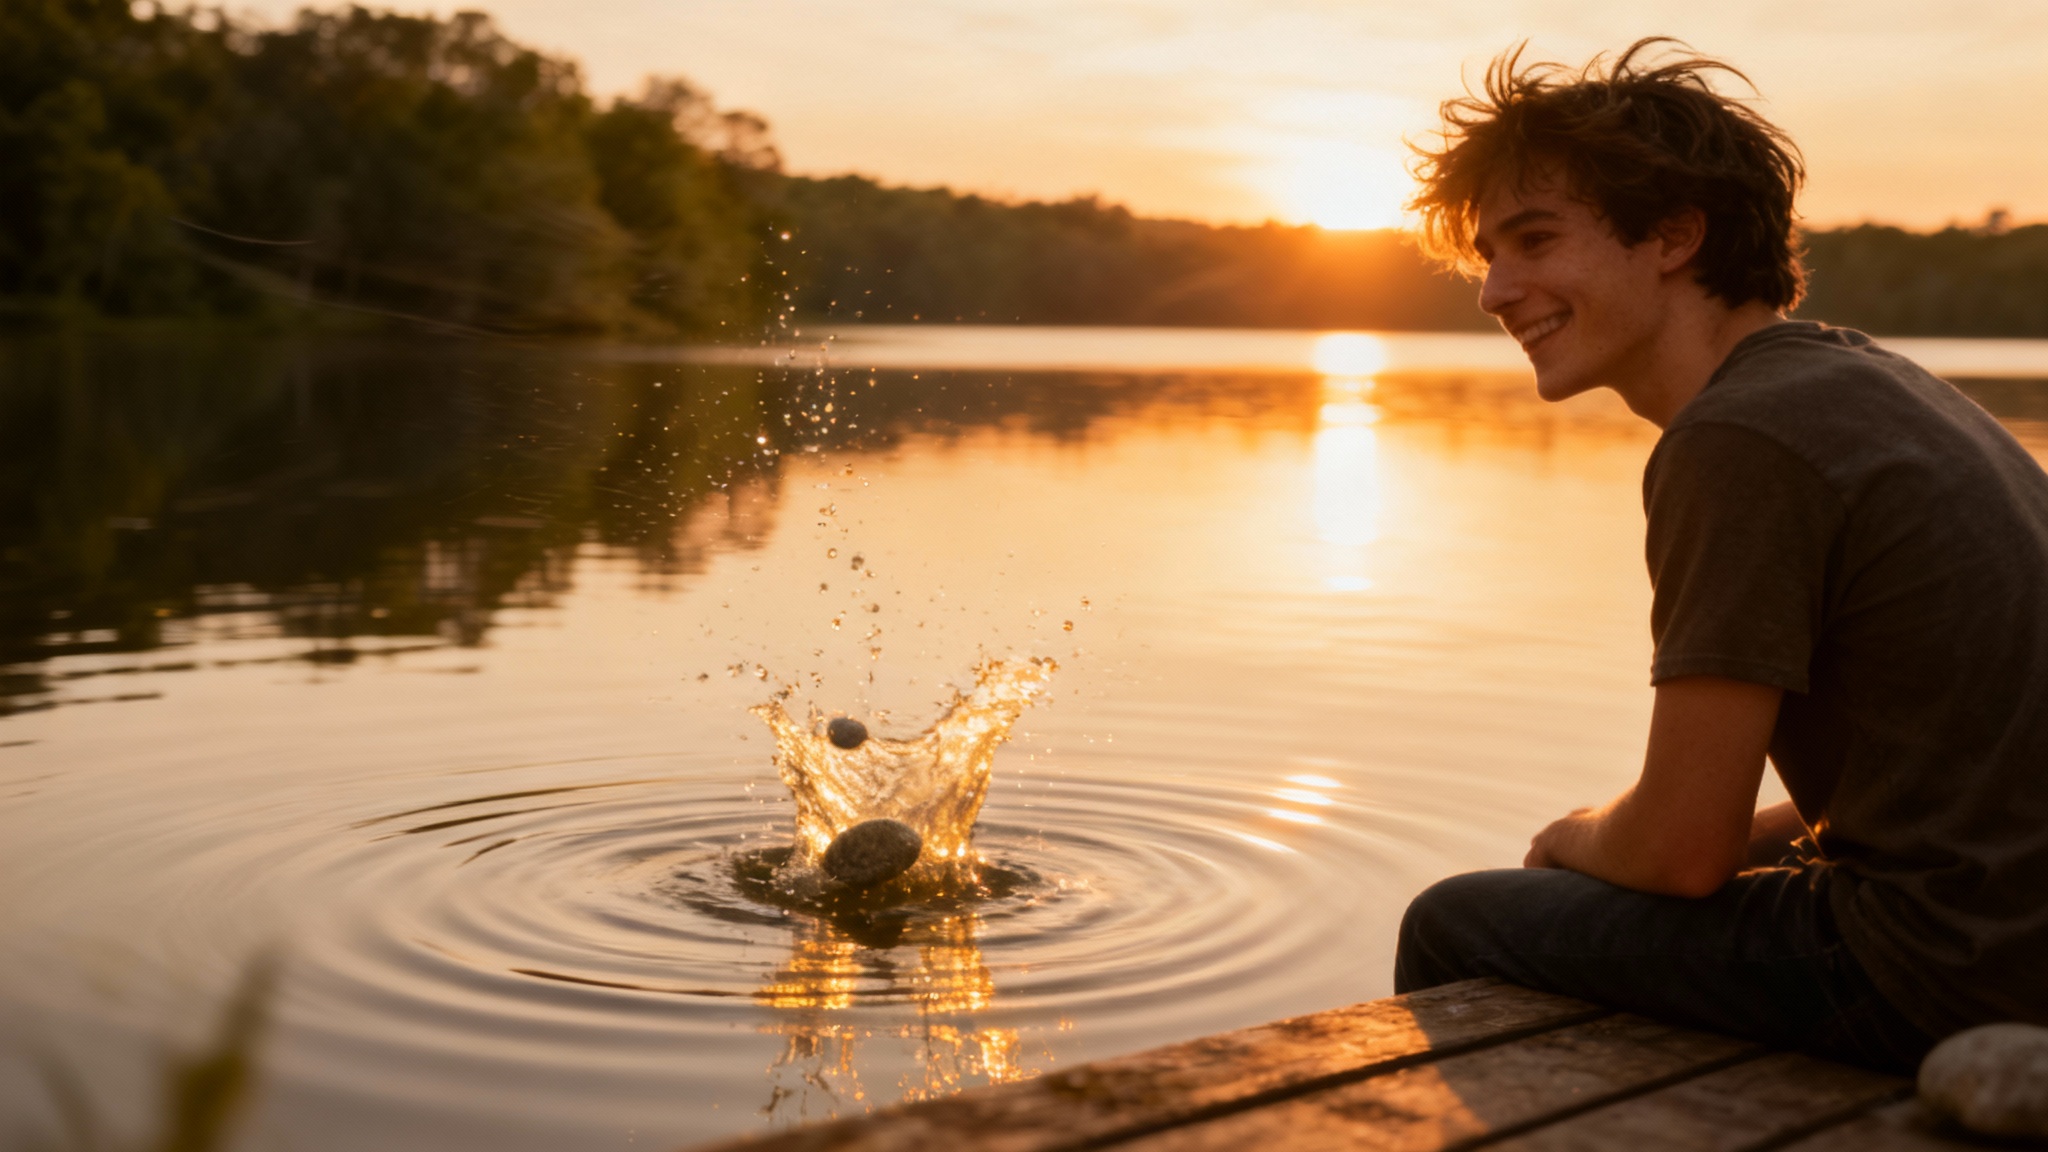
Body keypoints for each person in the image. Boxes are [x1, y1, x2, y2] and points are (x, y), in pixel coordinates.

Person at [1391, 38, 2048, 1074]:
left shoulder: (1737, 439)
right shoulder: (1865, 383)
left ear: (1671, 235)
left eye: (1532, 240)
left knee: (1457, 921)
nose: (1494, 292)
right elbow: (1949, 768)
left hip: (1949, 969)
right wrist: (1747, 841)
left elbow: (1676, 850)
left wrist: (1575, 840)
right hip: (2014, 940)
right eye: (1487, 256)